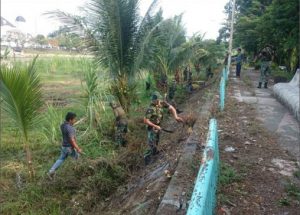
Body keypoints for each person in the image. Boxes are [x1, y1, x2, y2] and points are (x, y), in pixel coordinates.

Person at [143, 91, 183, 165]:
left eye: (158, 100)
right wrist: (155, 126)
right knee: (152, 143)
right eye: (156, 100)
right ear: (153, 100)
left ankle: (154, 154)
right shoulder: (150, 109)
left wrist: (176, 117)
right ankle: (147, 160)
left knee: (157, 140)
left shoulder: (161, 103)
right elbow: (145, 120)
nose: (158, 101)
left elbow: (171, 108)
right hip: (151, 127)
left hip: (158, 125)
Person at [47, 112, 82, 180]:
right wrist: (78, 148)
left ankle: (51, 171)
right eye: (74, 119)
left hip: (64, 147)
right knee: (77, 157)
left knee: (61, 159)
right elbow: (72, 140)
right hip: (69, 148)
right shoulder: (70, 128)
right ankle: (78, 173)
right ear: (70, 120)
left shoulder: (63, 125)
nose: (75, 121)